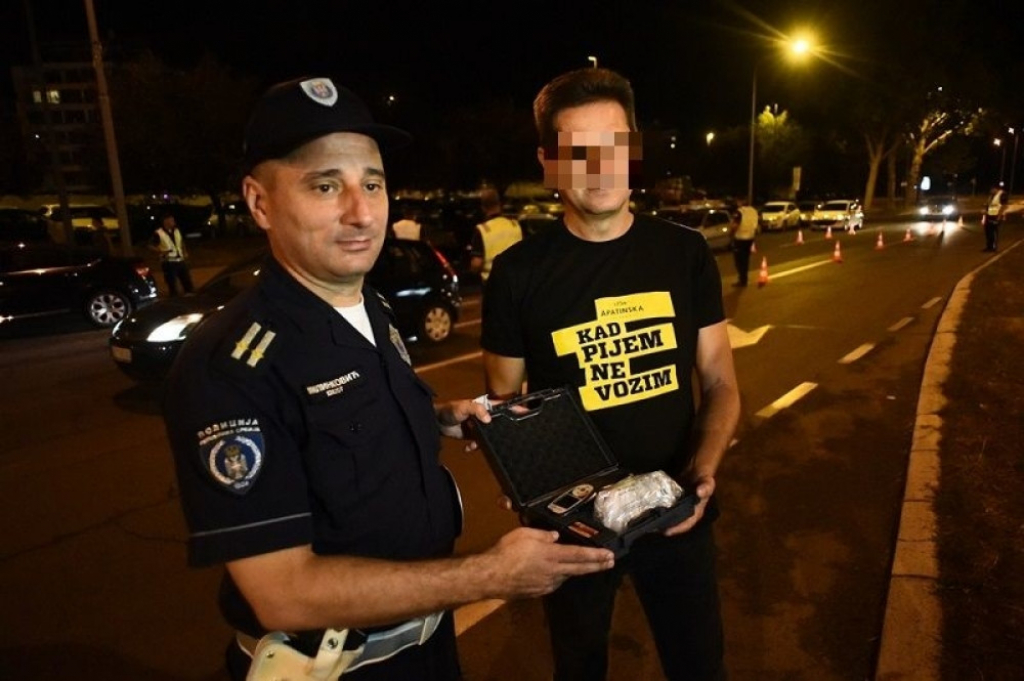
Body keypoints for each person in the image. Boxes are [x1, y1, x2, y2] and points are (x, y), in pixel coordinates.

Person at [161, 76, 615, 681]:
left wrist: (441, 417)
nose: (361, 211)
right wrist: (491, 575)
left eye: (372, 184)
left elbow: (341, 431)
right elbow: (282, 592)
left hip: (428, 649)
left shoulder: (368, 307)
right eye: (326, 186)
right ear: (259, 201)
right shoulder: (230, 365)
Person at [480, 67, 741, 681]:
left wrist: (701, 475)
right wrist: (521, 468)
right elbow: (505, 400)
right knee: (579, 667)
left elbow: (722, 382)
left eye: (614, 145)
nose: (600, 168)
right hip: (573, 527)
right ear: (550, 164)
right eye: (577, 152)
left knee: (699, 664)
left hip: (677, 511)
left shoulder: (683, 253)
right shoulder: (518, 275)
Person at [468, 188, 522, 283]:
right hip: (516, 280)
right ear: (500, 204)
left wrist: (471, 271)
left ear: (483, 208)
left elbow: (477, 263)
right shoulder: (515, 225)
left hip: (493, 283)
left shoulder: (482, 230)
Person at [150, 212, 194, 295]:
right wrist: (160, 251)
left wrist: (184, 252)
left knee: (187, 281)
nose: (174, 222)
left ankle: (189, 296)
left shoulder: (176, 230)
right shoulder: (158, 233)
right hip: (168, 262)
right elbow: (150, 245)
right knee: (172, 284)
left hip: (180, 260)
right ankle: (175, 299)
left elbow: (181, 242)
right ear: (166, 221)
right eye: (172, 220)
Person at [730, 197, 759, 287]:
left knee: (739, 261)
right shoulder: (754, 211)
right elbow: (757, 225)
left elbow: (735, 225)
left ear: (741, 202)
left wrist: (731, 234)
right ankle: (744, 279)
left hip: (740, 238)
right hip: (750, 238)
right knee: (746, 259)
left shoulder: (739, 211)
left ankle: (742, 280)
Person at [982, 183, 1007, 252]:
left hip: (996, 216)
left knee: (994, 233)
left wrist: (999, 217)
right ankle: (989, 247)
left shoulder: (1002, 194)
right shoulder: (991, 196)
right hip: (989, 216)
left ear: (995, 189)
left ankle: (994, 247)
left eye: (992, 190)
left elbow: (1003, 206)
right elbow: (989, 205)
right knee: (988, 232)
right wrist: (985, 211)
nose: (990, 191)